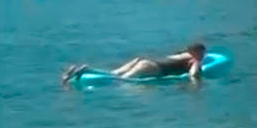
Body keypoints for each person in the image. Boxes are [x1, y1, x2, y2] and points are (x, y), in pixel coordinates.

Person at [62, 43, 208, 83]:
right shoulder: (194, 60)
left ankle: (85, 70)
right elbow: (193, 75)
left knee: (115, 73)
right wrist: (196, 80)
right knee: (121, 80)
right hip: (152, 67)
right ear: (198, 52)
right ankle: (86, 70)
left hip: (144, 60)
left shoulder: (181, 54)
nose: (204, 55)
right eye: (203, 53)